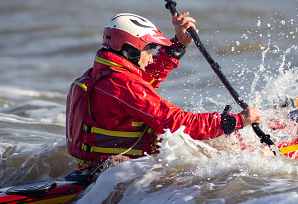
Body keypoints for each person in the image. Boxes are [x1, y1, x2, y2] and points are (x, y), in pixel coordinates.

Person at [65, 12, 260, 175]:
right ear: (130, 50)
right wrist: (234, 121)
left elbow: (142, 82)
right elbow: (175, 123)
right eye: (149, 50)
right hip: (118, 173)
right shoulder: (122, 85)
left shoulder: (101, 74)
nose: (150, 58)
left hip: (95, 169)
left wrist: (179, 44)